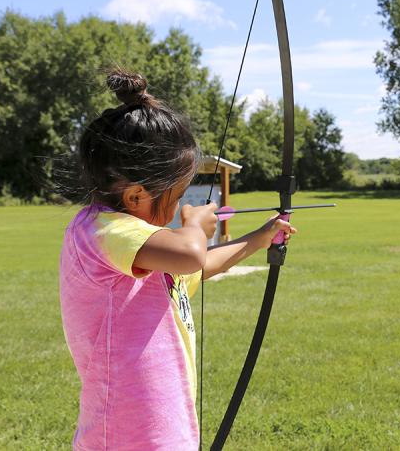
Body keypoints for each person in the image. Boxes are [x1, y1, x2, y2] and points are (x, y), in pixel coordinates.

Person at [59, 68, 295, 450]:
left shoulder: (147, 250)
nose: (178, 208)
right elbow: (190, 253)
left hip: (166, 430)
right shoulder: (100, 230)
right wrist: (196, 225)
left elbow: (197, 266)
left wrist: (259, 237)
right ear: (136, 196)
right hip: (125, 435)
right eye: (175, 197)